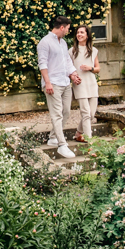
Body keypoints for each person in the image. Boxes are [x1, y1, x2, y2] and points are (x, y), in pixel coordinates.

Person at [37, 15, 81, 159]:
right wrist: (47, 82)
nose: (68, 31)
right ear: (61, 27)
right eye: (68, 29)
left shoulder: (63, 43)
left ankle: (53, 137)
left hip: (65, 82)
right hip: (53, 83)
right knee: (56, 114)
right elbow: (42, 64)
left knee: (66, 111)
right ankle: (62, 145)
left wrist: (73, 74)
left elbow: (67, 62)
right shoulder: (44, 42)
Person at [70, 23, 100, 142]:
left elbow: (97, 68)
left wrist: (90, 68)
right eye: (78, 32)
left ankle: (78, 133)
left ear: (87, 35)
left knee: (91, 114)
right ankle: (90, 141)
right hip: (80, 84)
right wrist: (73, 76)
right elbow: (68, 68)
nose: (79, 34)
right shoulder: (71, 51)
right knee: (85, 113)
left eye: (82, 32)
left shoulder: (93, 50)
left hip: (92, 83)